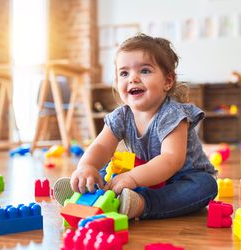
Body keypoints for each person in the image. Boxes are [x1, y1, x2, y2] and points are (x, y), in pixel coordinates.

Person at [53, 33, 218, 219]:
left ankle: (141, 204)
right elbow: (100, 146)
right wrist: (87, 167)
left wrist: (133, 178)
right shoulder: (121, 116)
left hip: (181, 178)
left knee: (205, 185)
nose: (133, 78)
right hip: (146, 174)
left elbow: (171, 160)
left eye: (145, 71)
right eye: (124, 73)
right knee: (107, 166)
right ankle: (86, 191)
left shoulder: (172, 114)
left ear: (167, 81)